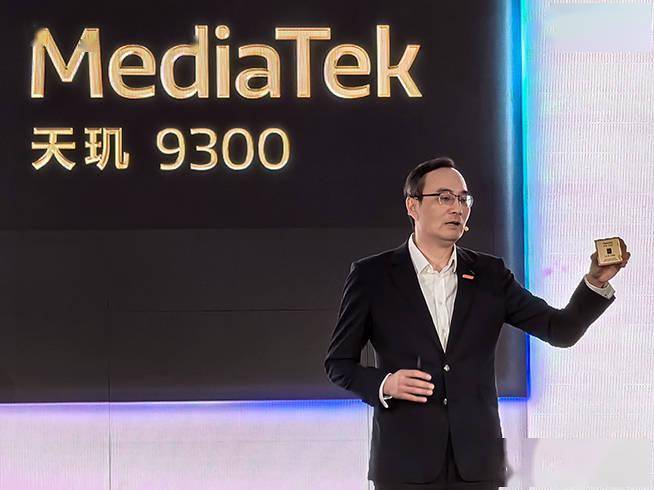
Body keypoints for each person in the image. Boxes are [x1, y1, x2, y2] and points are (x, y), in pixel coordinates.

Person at [324, 157, 630, 490]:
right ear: (413, 205)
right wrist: (385, 384)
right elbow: (339, 363)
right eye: (444, 197)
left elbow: (561, 330)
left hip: (478, 465)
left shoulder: (490, 274)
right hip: (403, 464)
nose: (457, 208)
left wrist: (596, 282)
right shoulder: (373, 276)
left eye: (463, 199)